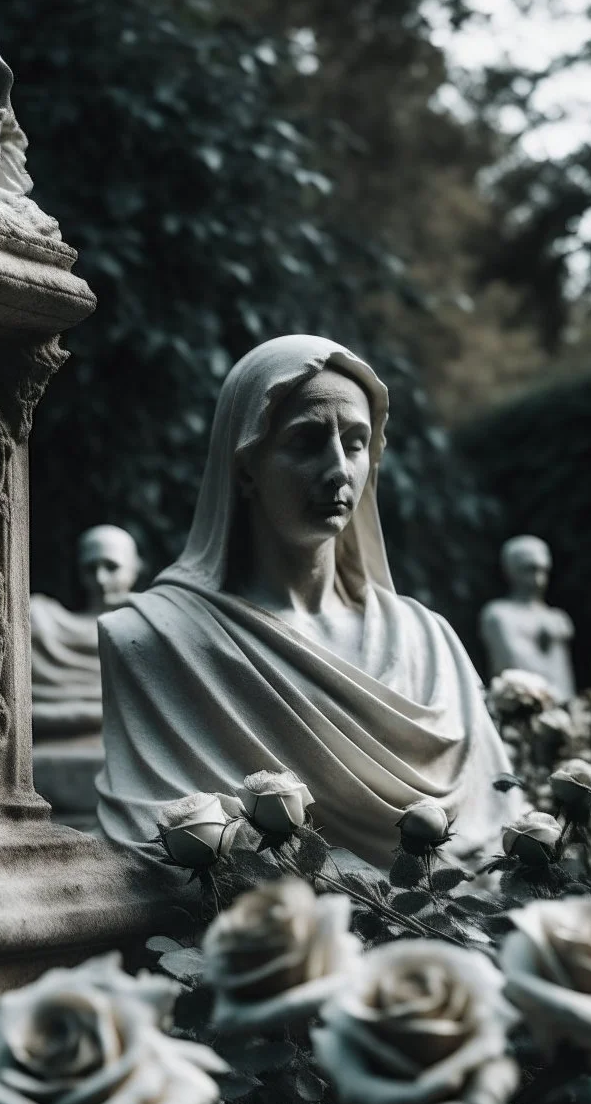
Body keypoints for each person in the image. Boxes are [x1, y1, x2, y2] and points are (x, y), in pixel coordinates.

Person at [97, 335, 519, 873]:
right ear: (245, 465)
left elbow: (503, 826)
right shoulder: (156, 637)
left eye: (357, 442)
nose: (340, 468)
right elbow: (153, 852)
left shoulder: (429, 640)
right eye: (307, 440)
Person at [31, 525, 140, 738]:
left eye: (112, 567)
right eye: (91, 569)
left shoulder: (150, 631)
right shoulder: (46, 621)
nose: (100, 579)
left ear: (134, 567)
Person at [480, 535, 576, 704]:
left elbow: (563, 674)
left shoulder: (558, 618)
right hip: (522, 709)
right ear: (511, 570)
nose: (538, 579)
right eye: (529, 569)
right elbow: (513, 664)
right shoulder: (498, 615)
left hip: (563, 709)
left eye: (543, 570)